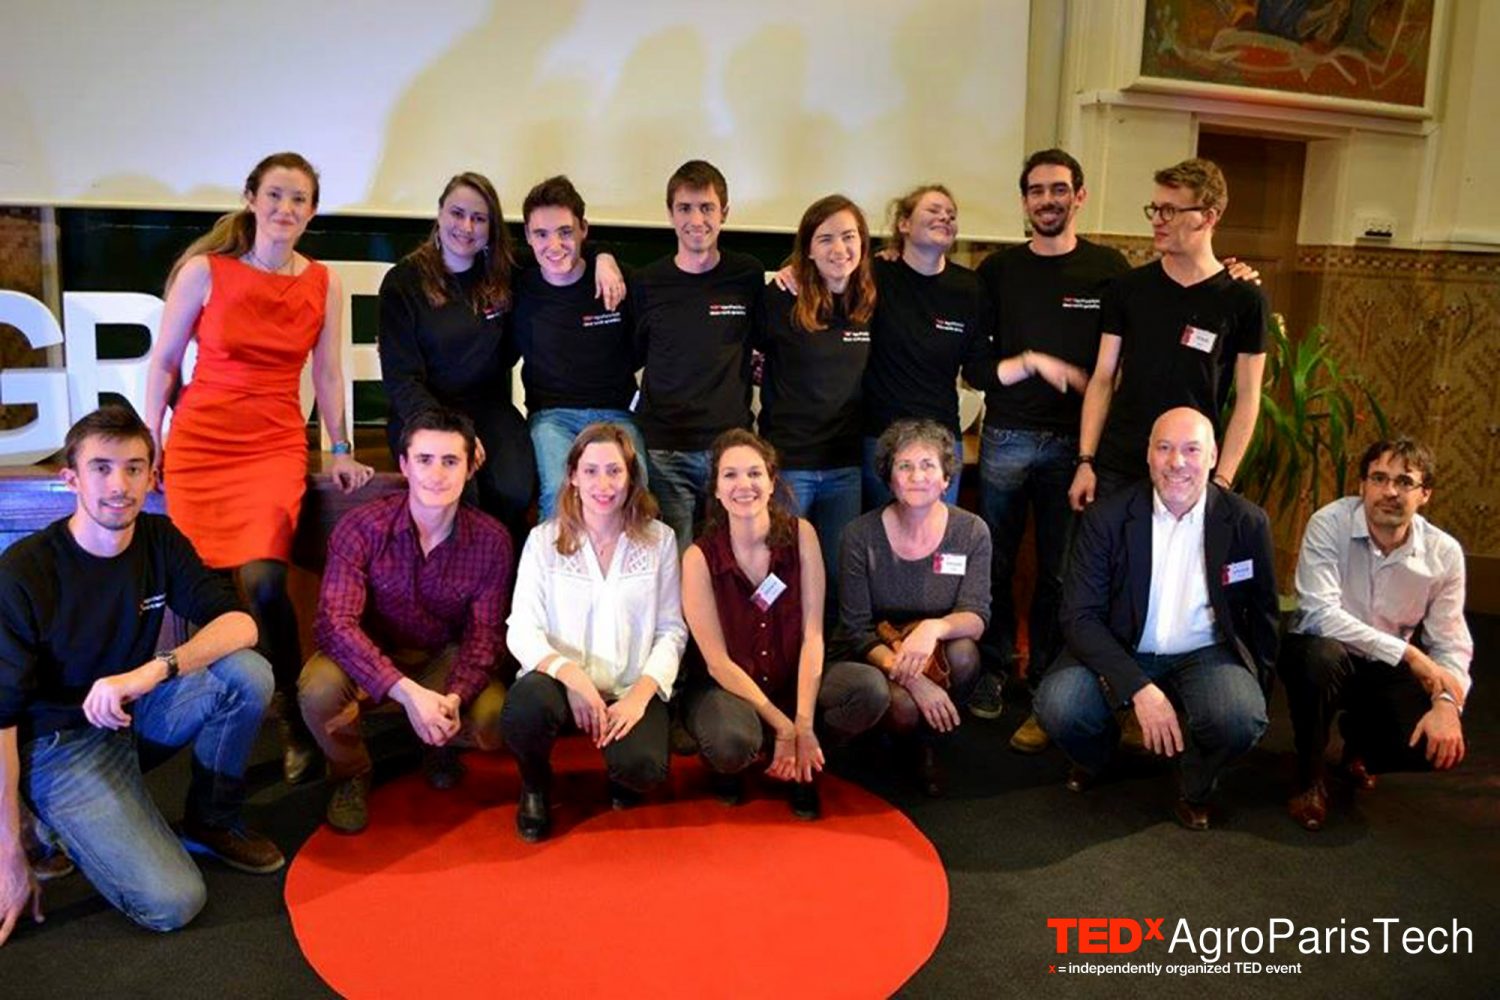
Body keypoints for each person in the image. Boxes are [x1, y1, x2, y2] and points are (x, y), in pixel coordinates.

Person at [1, 407, 283, 945]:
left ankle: (211, 820)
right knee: (175, 902)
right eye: (102, 467)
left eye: (134, 468)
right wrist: (7, 852)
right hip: (62, 746)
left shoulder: (158, 538)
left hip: (132, 712)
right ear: (71, 478)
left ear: (152, 476)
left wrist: (156, 669)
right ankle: (49, 823)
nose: (119, 485)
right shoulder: (25, 571)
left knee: (246, 674)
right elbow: (1, 718)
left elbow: (240, 624)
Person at [145, 152, 375, 785]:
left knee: (268, 583)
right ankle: (210, 717)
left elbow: (328, 372)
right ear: (251, 197)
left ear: (312, 210)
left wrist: (340, 446)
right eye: (275, 195)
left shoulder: (322, 281)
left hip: (273, 443)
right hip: (201, 443)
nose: (286, 209)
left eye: (299, 199)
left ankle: (293, 717)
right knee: (205, 592)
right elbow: (164, 362)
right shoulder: (204, 271)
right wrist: (151, 440)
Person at [1035, 407, 1277, 830]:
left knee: (1239, 716)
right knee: (1060, 706)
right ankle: (1101, 757)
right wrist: (1140, 689)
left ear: (1214, 456)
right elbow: (1079, 616)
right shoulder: (1107, 518)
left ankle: (1196, 784)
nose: (1177, 462)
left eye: (1190, 450)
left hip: (1205, 650)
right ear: (1148, 454)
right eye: (1164, 448)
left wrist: (1261, 683)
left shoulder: (1246, 522)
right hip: (1121, 643)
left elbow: (1263, 615)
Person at [960, 149, 1130, 734]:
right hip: (1005, 437)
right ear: (1024, 200)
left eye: (1059, 189)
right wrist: (1029, 364)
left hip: (1075, 447)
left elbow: (1125, 359)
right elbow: (974, 366)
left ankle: (1052, 679)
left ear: (1079, 195)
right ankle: (995, 666)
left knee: (1062, 571)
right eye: (1036, 191)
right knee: (995, 564)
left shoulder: (1111, 270)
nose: (1047, 201)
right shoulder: (997, 272)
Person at [298, 408, 514, 834]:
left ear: (471, 467)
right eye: (424, 460)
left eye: (451, 461)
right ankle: (351, 772)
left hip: (441, 660)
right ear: (404, 465)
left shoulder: (492, 540)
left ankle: (438, 742)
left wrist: (452, 698)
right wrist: (406, 692)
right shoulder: (361, 527)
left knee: (494, 717)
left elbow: (484, 638)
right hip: (369, 655)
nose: (436, 474)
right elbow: (335, 625)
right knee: (318, 688)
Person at [378, 172, 624, 543]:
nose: (466, 226)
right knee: (462, 487)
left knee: (514, 488)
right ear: (439, 214)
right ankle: (459, 582)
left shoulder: (502, 269)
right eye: (457, 214)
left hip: (488, 405)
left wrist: (602, 255)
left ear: (491, 226)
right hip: (423, 410)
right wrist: (452, 432)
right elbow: (400, 378)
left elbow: (558, 246)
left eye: (479, 218)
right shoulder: (404, 282)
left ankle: (506, 580)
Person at [681, 430, 888, 819]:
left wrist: (804, 724)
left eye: (755, 473)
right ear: (717, 490)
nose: (744, 485)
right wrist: (784, 726)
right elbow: (717, 663)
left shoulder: (801, 535)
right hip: (729, 687)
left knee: (868, 691)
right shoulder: (698, 558)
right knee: (731, 743)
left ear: (772, 481)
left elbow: (813, 635)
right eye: (730, 475)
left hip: (794, 681)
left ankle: (808, 756)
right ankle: (746, 756)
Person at [502, 423, 687, 841]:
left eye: (614, 471)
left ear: (631, 477)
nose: (603, 484)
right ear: (572, 476)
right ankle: (534, 784)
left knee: (643, 770)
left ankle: (621, 766)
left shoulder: (660, 541)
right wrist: (570, 675)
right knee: (525, 707)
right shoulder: (543, 540)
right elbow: (521, 628)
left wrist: (640, 695)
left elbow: (671, 630)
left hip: (627, 688)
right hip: (560, 685)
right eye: (590, 471)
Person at [1280, 437, 1472, 831]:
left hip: (1385, 666)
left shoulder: (1444, 553)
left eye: (1404, 482)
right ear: (1362, 485)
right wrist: (1409, 655)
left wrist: (1448, 703)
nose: (1390, 491)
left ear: (1425, 495)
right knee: (1319, 659)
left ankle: (1359, 745)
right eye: (1379, 478)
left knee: (1430, 748)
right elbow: (1319, 613)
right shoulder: (1329, 523)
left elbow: (1451, 642)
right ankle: (1310, 773)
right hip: (1326, 652)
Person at [1068, 158, 1267, 510]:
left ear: (1209, 216)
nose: (1159, 220)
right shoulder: (1128, 289)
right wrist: (1086, 461)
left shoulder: (1244, 300)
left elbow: (1248, 401)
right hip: (1121, 464)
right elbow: (1103, 378)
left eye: (1171, 211)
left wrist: (1221, 479)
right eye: (1155, 209)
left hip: (1188, 469)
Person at [835, 419, 991, 796]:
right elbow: (855, 629)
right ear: (889, 479)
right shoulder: (860, 535)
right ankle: (897, 737)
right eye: (904, 466)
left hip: (931, 645)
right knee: (903, 706)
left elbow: (977, 615)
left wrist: (932, 629)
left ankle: (926, 740)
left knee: (966, 654)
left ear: (945, 478)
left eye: (928, 466)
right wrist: (916, 681)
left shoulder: (971, 531)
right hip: (873, 648)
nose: (917, 476)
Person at [633, 160, 765, 551]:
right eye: (685, 208)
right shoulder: (647, 281)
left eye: (707, 207)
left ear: (724, 212)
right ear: (670, 213)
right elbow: (633, 355)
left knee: (726, 558)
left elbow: (763, 342)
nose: (696, 219)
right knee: (677, 559)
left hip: (728, 448)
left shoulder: (747, 275)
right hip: (664, 448)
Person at [756, 194, 875, 603]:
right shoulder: (780, 298)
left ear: (863, 242)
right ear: (807, 247)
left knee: (838, 576)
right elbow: (745, 355)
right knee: (779, 575)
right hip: (790, 466)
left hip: (845, 467)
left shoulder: (872, 301)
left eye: (848, 236)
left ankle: (830, 662)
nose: (839, 249)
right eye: (825, 239)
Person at [512, 175, 645, 519]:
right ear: (527, 235)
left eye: (565, 232)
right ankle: (556, 573)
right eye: (540, 234)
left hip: (617, 413)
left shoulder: (619, 280)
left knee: (637, 494)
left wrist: (603, 256)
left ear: (584, 229)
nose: (553, 245)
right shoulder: (518, 283)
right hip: (552, 416)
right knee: (558, 495)